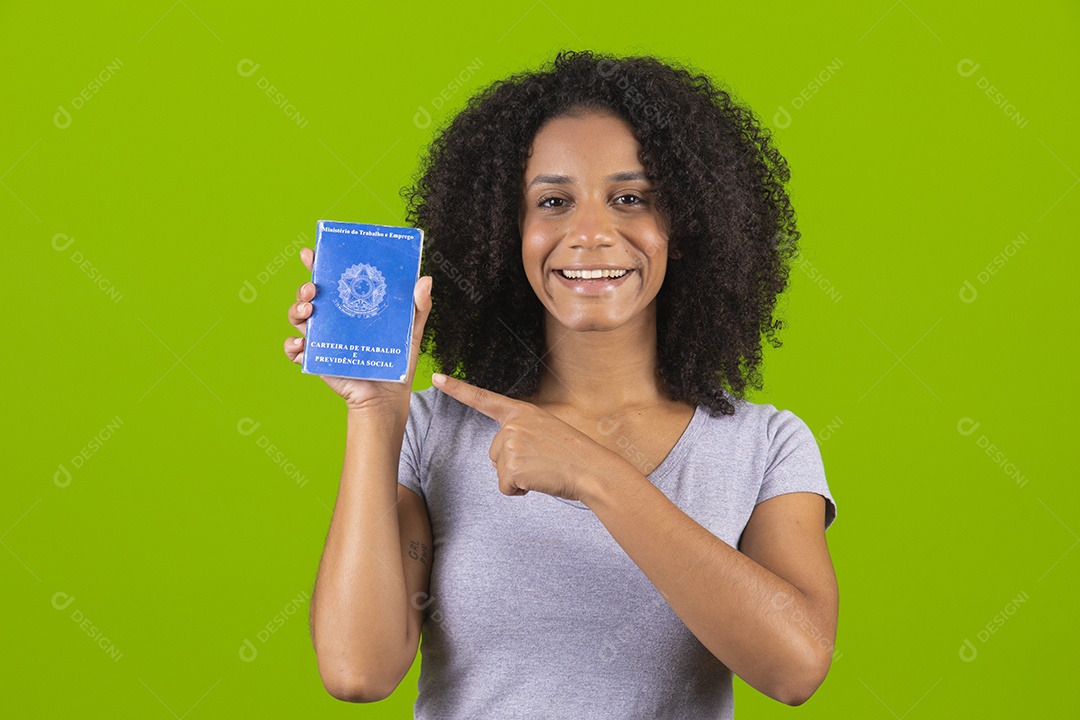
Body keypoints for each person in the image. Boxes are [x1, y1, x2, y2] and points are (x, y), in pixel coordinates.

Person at [286, 50, 838, 719]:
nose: (591, 234)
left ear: (684, 229)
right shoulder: (435, 431)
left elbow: (796, 667)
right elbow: (357, 670)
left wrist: (593, 474)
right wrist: (375, 412)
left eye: (630, 199)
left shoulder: (765, 445)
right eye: (553, 201)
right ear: (506, 232)